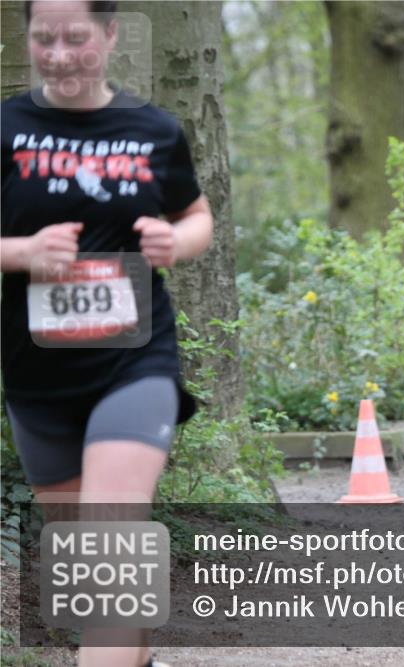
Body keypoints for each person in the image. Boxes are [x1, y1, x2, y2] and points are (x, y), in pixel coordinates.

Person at [1, 2, 212, 664]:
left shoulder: (152, 129)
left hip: (133, 362)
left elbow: (196, 214)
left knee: (110, 547)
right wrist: (21, 253)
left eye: (76, 38)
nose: (60, 54)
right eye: (44, 39)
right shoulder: (5, 126)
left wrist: (173, 239)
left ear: (112, 35)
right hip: (36, 375)